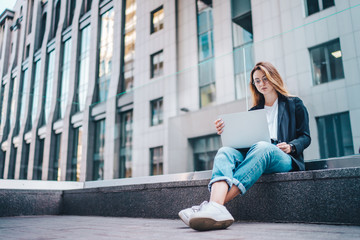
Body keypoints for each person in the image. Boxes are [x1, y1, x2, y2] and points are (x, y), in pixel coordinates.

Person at [178, 61, 311, 231]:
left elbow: (305, 137)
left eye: (265, 79)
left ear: (273, 78)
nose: (262, 84)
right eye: (257, 81)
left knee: (264, 147)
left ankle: (210, 207)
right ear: (253, 85)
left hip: (283, 157)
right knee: (225, 151)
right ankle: (215, 208)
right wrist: (225, 131)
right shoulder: (254, 111)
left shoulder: (294, 104)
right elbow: (244, 143)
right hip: (256, 153)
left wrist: (291, 147)